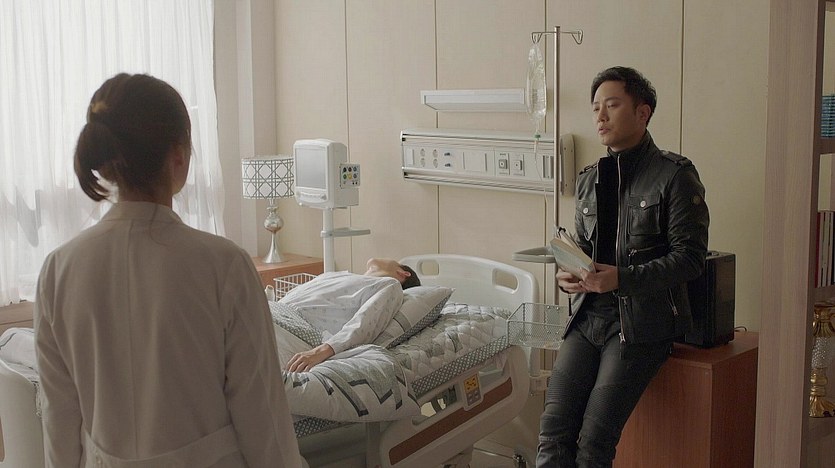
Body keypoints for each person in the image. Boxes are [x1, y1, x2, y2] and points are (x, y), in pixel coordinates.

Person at [34, 73, 302, 467]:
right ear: (178, 156)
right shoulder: (223, 265)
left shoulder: (58, 271)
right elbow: (265, 424)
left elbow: (59, 424)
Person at [537, 66, 709, 467]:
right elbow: (583, 249)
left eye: (611, 105)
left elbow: (690, 258)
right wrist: (569, 275)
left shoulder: (675, 176)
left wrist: (622, 279)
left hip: (639, 325)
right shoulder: (589, 180)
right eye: (596, 107)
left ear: (642, 113)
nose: (600, 116)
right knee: (552, 431)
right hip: (587, 319)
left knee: (593, 443)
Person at [281, 258, 420, 372]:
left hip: (292, 329)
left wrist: (319, 352)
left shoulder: (391, 285)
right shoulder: (337, 275)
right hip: (276, 313)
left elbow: (363, 325)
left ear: (403, 273)